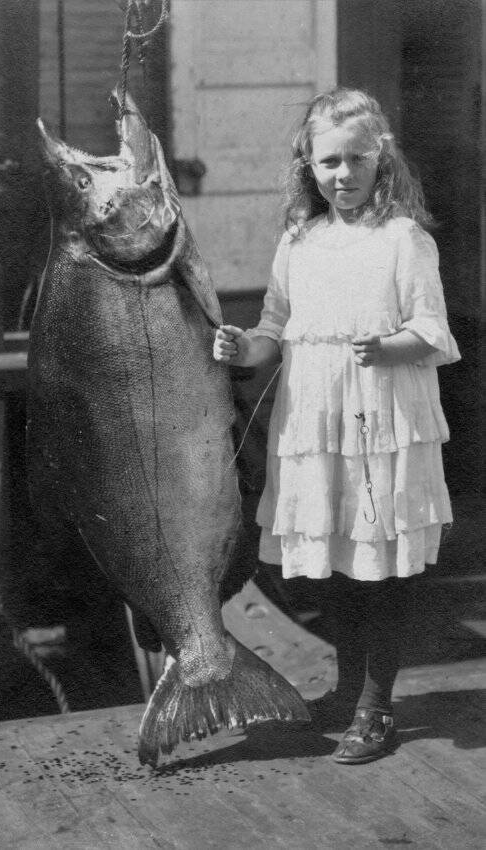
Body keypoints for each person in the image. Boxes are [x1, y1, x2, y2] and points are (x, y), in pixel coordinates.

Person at [213, 87, 460, 764]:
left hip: (382, 426)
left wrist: (388, 346)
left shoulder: (403, 239)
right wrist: (242, 348)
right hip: (315, 428)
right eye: (329, 161)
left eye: (357, 159)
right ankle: (348, 688)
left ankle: (376, 707)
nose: (343, 174)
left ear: (382, 160)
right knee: (336, 567)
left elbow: (433, 330)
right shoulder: (300, 241)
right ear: (309, 166)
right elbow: (273, 329)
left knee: (381, 568)